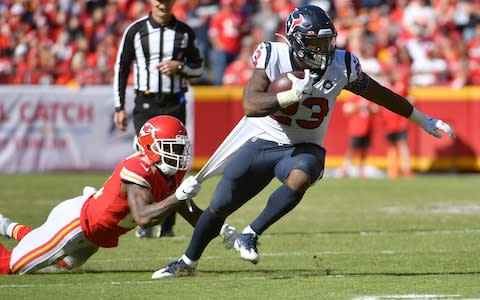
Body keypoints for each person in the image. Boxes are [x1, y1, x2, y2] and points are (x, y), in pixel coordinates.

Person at [151, 5, 456, 279]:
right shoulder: (274, 55)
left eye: (326, 41)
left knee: (302, 176)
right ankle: (187, 262)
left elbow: (379, 93)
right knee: (219, 206)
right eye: (314, 42)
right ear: (296, 40)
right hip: (263, 141)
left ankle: (251, 232)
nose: (323, 49)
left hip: (303, 147)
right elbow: (251, 103)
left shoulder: (342, 65)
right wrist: (289, 95)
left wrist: (421, 118)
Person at [0, 116, 236, 275]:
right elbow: (144, 218)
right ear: (151, 147)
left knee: (61, 263)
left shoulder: (170, 174)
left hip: (94, 238)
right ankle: (7, 227)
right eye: (171, 146)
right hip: (75, 225)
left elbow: (190, 214)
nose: (178, 152)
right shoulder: (137, 169)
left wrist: (219, 228)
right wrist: (178, 197)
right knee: (12, 266)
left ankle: (9, 227)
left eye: (180, 147)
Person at [112, 0, 204, 238]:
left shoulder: (184, 31)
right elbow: (121, 68)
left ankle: (166, 225)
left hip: (174, 102)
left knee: (173, 161)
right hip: (146, 102)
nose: (163, 4)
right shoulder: (136, 30)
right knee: (146, 158)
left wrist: (179, 66)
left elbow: (198, 68)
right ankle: (144, 219)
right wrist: (119, 106)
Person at [341, 95, 379, 178]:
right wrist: (359, 106)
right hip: (356, 129)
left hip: (367, 129)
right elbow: (347, 111)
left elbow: (377, 110)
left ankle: (361, 170)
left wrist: (368, 107)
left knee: (364, 151)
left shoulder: (370, 99)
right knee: (352, 150)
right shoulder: (354, 98)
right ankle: (346, 169)